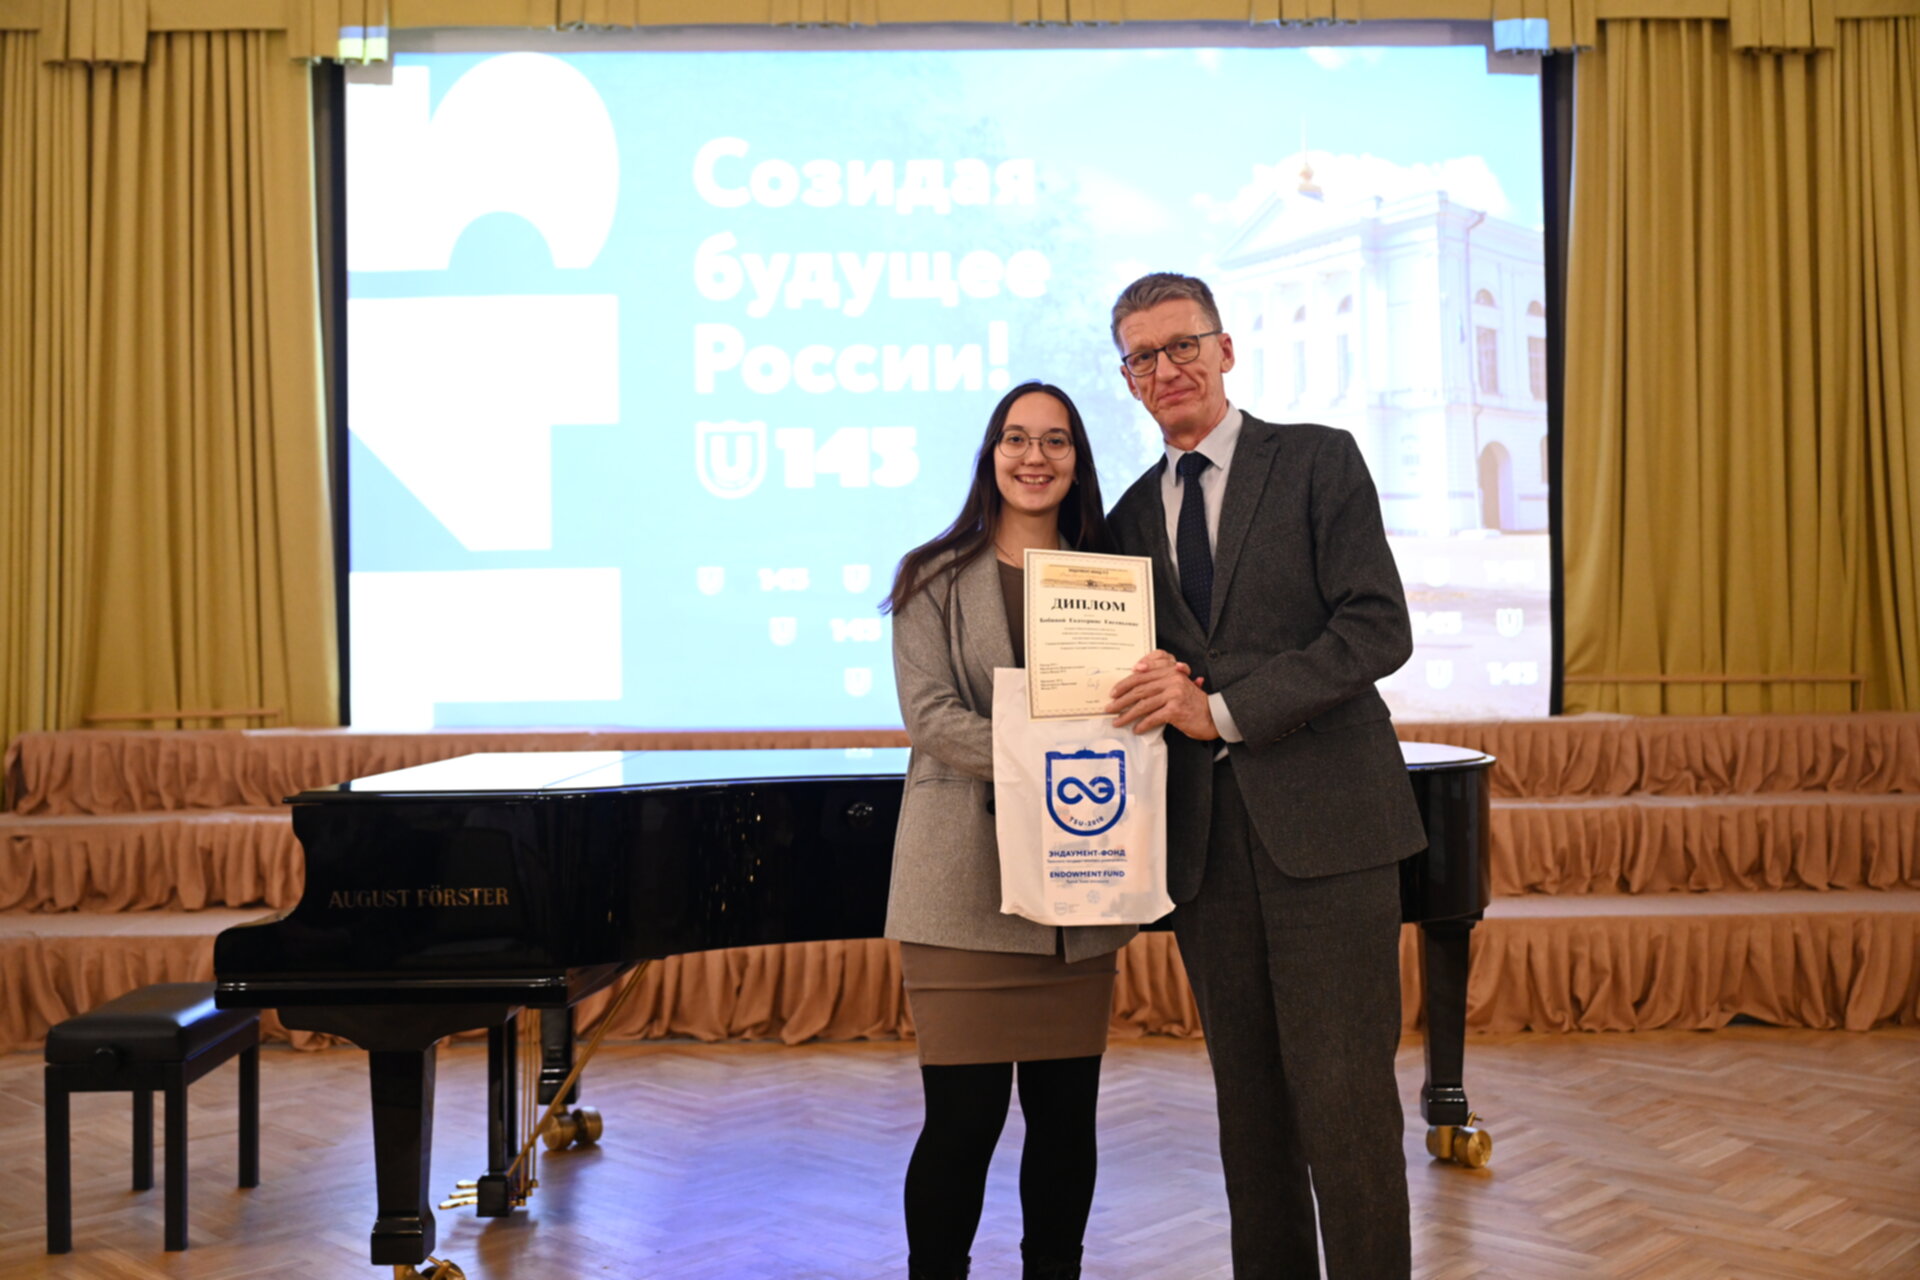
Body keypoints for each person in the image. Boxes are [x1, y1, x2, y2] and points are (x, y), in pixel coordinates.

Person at [1101, 273, 1427, 1279]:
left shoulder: (1319, 460)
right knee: (1250, 1114)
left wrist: (1223, 709)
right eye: (1144, 357)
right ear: (1129, 380)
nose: (1168, 368)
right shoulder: (1124, 522)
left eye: (1183, 344)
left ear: (1226, 349)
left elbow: (1377, 627)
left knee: (1346, 1104)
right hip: (1205, 851)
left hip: (1331, 835)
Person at [882, 380, 1136, 1280]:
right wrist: (1051, 753)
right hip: (962, 887)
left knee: (1067, 1123)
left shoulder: (1113, 578)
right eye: (1016, 438)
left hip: (1081, 873)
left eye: (1056, 441)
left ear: (1078, 461)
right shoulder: (931, 576)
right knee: (962, 1123)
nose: (1035, 457)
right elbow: (930, 718)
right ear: (991, 454)